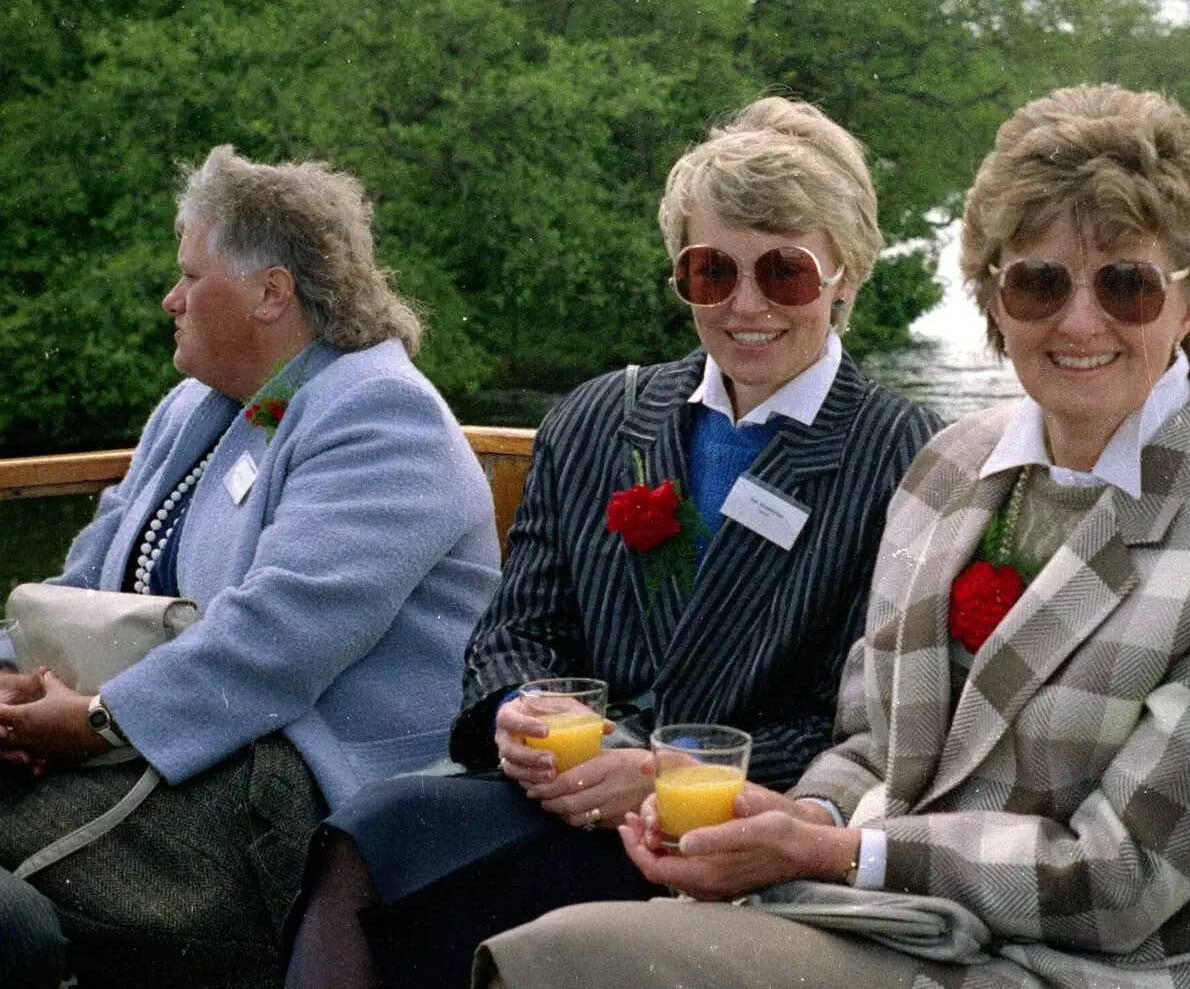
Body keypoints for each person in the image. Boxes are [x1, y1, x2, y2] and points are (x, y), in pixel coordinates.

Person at [474, 83, 1190, 989]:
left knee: (567, 961)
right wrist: (786, 817)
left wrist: (836, 853)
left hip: (1075, 969)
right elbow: (867, 747)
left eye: (1126, 284)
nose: (1079, 321)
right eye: (1039, 281)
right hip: (879, 926)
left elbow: (1121, 880)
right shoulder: (951, 468)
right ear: (994, 299)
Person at [284, 96, 944, 988]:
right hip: (558, 795)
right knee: (368, 836)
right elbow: (514, 632)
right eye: (712, 272)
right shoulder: (600, 419)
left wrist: (660, 770)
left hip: (734, 828)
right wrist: (519, 714)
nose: (745, 305)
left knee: (464, 901)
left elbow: (869, 719)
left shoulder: (905, 455)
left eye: (784, 273)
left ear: (846, 276)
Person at [0, 145, 501, 989]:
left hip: (289, 789)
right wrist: (10, 684)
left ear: (271, 292)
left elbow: (276, 641)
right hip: (153, 748)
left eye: (191, 276)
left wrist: (93, 721)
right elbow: (77, 583)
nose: (172, 298)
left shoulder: (381, 415)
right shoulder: (194, 407)